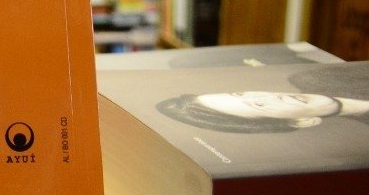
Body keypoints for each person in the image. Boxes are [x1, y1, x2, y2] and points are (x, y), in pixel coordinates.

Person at [156, 62, 369, 134]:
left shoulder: (313, 77)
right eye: (259, 105)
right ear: (300, 122)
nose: (275, 97)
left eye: (240, 94)